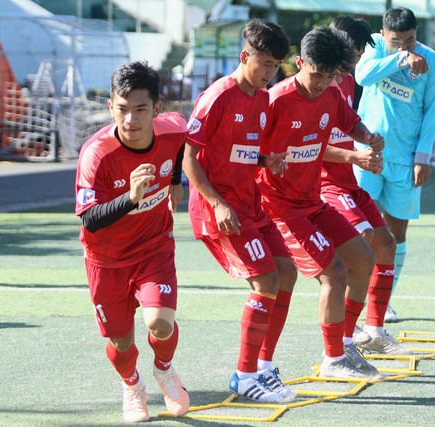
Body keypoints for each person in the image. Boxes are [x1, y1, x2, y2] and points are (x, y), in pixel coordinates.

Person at [257, 26, 384, 380]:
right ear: (298, 63)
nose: (322, 83)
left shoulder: (330, 95)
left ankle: (344, 345)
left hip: (312, 202)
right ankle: (332, 360)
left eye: (331, 76)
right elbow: (257, 153)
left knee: (365, 259)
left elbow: (349, 124)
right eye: (316, 74)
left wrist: (368, 140)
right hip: (280, 208)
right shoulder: (276, 102)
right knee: (334, 274)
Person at [183, 18, 298, 403]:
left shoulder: (262, 99)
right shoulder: (217, 96)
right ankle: (244, 375)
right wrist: (217, 204)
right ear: (244, 55)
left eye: (276, 65)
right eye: (265, 64)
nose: (271, 72)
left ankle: (264, 367)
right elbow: (189, 158)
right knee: (266, 281)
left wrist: (266, 160)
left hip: (251, 206)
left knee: (286, 271)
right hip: (219, 210)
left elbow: (238, 151)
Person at [75, 61, 189, 422]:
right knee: (121, 341)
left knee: (160, 323)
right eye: (122, 109)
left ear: (157, 109)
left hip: (154, 247)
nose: (130, 120)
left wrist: (175, 182)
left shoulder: (172, 129)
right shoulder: (96, 155)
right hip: (105, 260)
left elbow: (181, 142)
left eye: (140, 110)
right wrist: (131, 198)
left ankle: (165, 370)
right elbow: (89, 219)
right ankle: (132, 386)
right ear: (111, 106)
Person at [321, 17, 412, 356]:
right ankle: (342, 343)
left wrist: (367, 140)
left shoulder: (343, 82)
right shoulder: (321, 84)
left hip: (345, 179)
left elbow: (349, 125)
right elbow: (306, 146)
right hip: (323, 184)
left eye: (360, 55)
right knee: (361, 248)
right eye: (354, 55)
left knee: (385, 243)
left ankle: (373, 330)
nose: (357, 63)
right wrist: (355, 157)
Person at [354, 7, 435, 323]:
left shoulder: (431, 61)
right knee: (361, 227)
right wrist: (400, 59)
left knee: (396, 231)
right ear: (384, 33)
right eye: (397, 41)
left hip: (406, 161)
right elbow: (362, 76)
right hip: (367, 154)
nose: (405, 46)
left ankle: (384, 299)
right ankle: (356, 294)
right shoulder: (375, 46)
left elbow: (432, 111)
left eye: (410, 40)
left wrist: (423, 157)